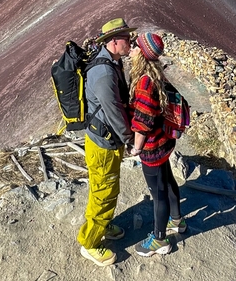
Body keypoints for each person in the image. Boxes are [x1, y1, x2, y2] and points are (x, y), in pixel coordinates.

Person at [77, 17, 136, 267]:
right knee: (103, 192)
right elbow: (113, 110)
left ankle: (103, 225)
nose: (130, 42)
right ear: (114, 42)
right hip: (104, 144)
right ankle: (89, 243)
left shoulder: (110, 63)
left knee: (105, 190)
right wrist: (129, 139)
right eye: (126, 39)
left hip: (102, 140)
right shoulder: (103, 73)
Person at [129, 32, 187, 256]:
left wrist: (136, 148)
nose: (131, 50)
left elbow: (143, 122)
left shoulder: (144, 82)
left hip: (152, 147)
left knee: (158, 193)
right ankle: (177, 221)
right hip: (164, 143)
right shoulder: (157, 75)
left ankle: (159, 240)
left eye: (135, 47)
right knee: (168, 180)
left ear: (142, 54)